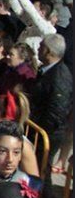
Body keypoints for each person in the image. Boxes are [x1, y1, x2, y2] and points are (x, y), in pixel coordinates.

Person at [29, 33, 72, 162]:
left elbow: (56, 112)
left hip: (45, 135)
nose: (37, 49)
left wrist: (38, 132)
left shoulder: (59, 77)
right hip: (35, 129)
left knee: (41, 170)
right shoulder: (47, 70)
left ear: (48, 51)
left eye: (41, 46)